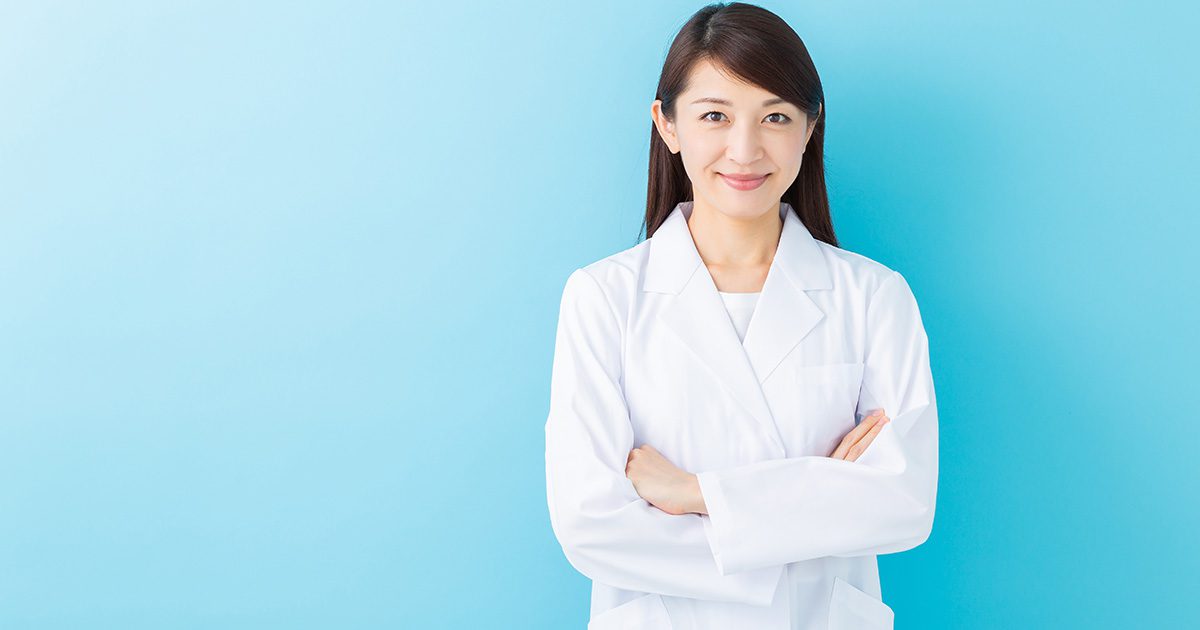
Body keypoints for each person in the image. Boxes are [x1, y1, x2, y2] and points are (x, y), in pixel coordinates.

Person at [544, 3, 938, 629]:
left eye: (775, 116)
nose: (745, 149)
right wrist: (809, 502)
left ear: (811, 128)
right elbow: (591, 525)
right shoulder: (604, 298)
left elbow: (904, 503)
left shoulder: (873, 297)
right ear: (667, 125)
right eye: (714, 117)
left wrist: (694, 494)